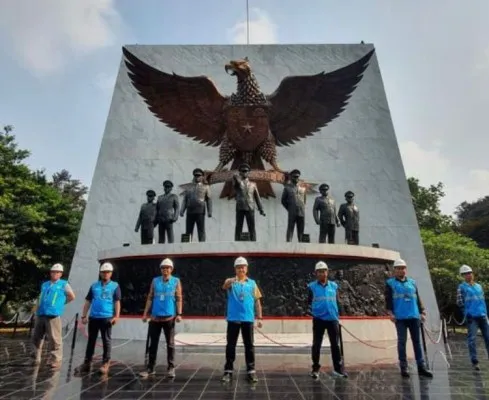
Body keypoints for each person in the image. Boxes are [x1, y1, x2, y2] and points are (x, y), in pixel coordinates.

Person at [385, 258, 433, 378]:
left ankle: (421, 367)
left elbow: (417, 297)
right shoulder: (390, 283)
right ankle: (404, 367)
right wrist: (390, 313)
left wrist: (422, 311)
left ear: (406, 269)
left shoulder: (412, 282)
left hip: (414, 316)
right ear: (394, 270)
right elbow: (388, 299)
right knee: (402, 342)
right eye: (399, 268)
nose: (401, 270)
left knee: (417, 342)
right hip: (400, 317)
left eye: (403, 268)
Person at [221, 257, 263, 383]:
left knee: (249, 346)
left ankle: (251, 371)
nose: (241, 269)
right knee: (231, 345)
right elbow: (224, 286)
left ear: (247, 268)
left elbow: (257, 301)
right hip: (233, 319)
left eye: (243, 267)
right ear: (235, 269)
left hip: (247, 319)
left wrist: (259, 317)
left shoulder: (252, 283)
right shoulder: (231, 282)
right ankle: (228, 371)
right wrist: (231, 280)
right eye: (239, 267)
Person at [140, 258, 183, 378]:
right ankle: (150, 368)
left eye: (168, 268)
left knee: (170, 344)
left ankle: (171, 367)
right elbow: (150, 297)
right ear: (161, 269)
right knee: (153, 344)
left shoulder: (176, 281)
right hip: (155, 318)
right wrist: (145, 313)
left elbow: (179, 298)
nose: (165, 270)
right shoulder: (155, 281)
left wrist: (179, 314)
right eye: (163, 268)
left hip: (169, 318)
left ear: (171, 269)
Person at [77, 262, 121, 375]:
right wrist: (83, 315)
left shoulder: (115, 285)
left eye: (107, 272)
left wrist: (116, 316)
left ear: (111, 273)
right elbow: (88, 301)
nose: (105, 274)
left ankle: (105, 363)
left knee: (106, 340)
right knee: (91, 340)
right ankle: (87, 362)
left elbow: (117, 302)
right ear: (100, 273)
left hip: (106, 317)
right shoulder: (94, 286)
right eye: (103, 272)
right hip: (93, 317)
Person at [31, 263, 75, 369]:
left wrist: (60, 304)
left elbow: (71, 296)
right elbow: (40, 297)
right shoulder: (45, 284)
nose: (55, 273)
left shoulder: (64, 284)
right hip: (41, 313)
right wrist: (35, 308)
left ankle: (56, 359)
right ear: (50, 273)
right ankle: (35, 358)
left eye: (57, 272)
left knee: (55, 339)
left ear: (61, 274)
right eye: (53, 272)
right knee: (37, 337)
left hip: (53, 315)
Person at [307, 261, 347, 379]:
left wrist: (339, 315)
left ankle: (338, 369)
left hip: (332, 319)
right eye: (319, 272)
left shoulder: (334, 286)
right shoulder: (312, 287)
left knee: (335, 345)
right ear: (316, 273)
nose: (322, 274)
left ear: (327, 272)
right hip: (319, 319)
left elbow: (337, 300)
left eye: (323, 271)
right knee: (316, 344)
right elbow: (308, 302)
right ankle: (315, 368)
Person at [456, 264, 489, 371]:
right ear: (463, 276)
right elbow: (460, 303)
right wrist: (467, 313)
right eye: (466, 274)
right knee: (472, 340)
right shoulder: (461, 288)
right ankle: (475, 361)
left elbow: (482, 301)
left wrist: (485, 314)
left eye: (470, 273)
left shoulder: (478, 286)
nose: (468, 275)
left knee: (488, 338)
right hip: (472, 318)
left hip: (482, 315)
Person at [233, 163, 266, 241]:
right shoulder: (237, 182)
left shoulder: (253, 184)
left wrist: (261, 209)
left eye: (246, 171)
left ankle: (253, 241)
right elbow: (237, 184)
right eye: (243, 171)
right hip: (240, 207)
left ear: (248, 172)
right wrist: (237, 177)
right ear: (240, 172)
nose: (244, 172)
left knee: (251, 227)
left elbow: (257, 197)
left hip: (250, 207)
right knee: (238, 226)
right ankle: (237, 241)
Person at [180, 168, 212, 242]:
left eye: (199, 175)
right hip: (190, 211)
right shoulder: (189, 187)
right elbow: (185, 199)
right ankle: (187, 245)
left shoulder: (206, 187)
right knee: (188, 230)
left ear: (202, 177)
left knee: (201, 230)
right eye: (196, 175)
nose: (197, 177)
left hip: (200, 211)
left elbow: (209, 200)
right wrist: (182, 210)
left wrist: (210, 211)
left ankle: (202, 245)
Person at [281, 169, 306, 242]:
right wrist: (289, 208)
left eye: (297, 177)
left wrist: (301, 208)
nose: (296, 178)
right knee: (290, 228)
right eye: (294, 177)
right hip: (292, 211)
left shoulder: (303, 189)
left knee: (301, 229)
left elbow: (304, 201)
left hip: (301, 212)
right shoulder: (287, 188)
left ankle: (301, 243)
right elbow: (283, 201)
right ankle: (289, 243)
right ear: (291, 177)